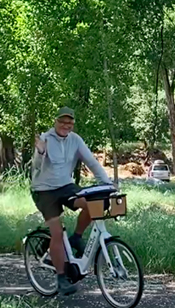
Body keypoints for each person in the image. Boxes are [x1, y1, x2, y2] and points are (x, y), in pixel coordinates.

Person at [31, 107, 113, 296]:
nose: (65, 126)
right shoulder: (46, 138)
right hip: (44, 190)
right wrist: (40, 152)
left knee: (93, 205)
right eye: (62, 122)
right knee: (57, 233)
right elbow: (36, 166)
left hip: (66, 186)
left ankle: (76, 237)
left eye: (69, 123)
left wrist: (108, 183)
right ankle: (61, 277)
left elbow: (91, 162)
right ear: (55, 122)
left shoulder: (75, 140)